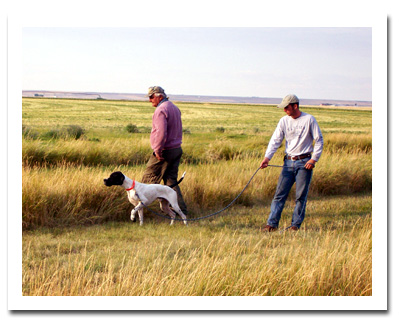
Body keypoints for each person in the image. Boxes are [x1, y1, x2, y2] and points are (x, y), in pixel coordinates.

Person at [260, 94, 323, 232]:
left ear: (295, 106)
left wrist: (314, 159)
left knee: (300, 196)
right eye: (283, 108)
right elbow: (275, 140)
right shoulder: (283, 121)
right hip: (288, 162)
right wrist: (267, 158)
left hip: (305, 162)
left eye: (286, 107)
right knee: (279, 195)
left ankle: (295, 226)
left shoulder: (309, 119)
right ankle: (271, 224)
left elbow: (319, 140)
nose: (284, 110)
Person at [141, 86, 188, 215]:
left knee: (148, 180)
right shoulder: (174, 107)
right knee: (171, 182)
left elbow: (161, 132)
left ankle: (142, 211)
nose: (150, 100)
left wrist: (158, 150)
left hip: (165, 151)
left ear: (159, 96)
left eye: (151, 97)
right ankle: (180, 210)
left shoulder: (161, 110)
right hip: (176, 149)